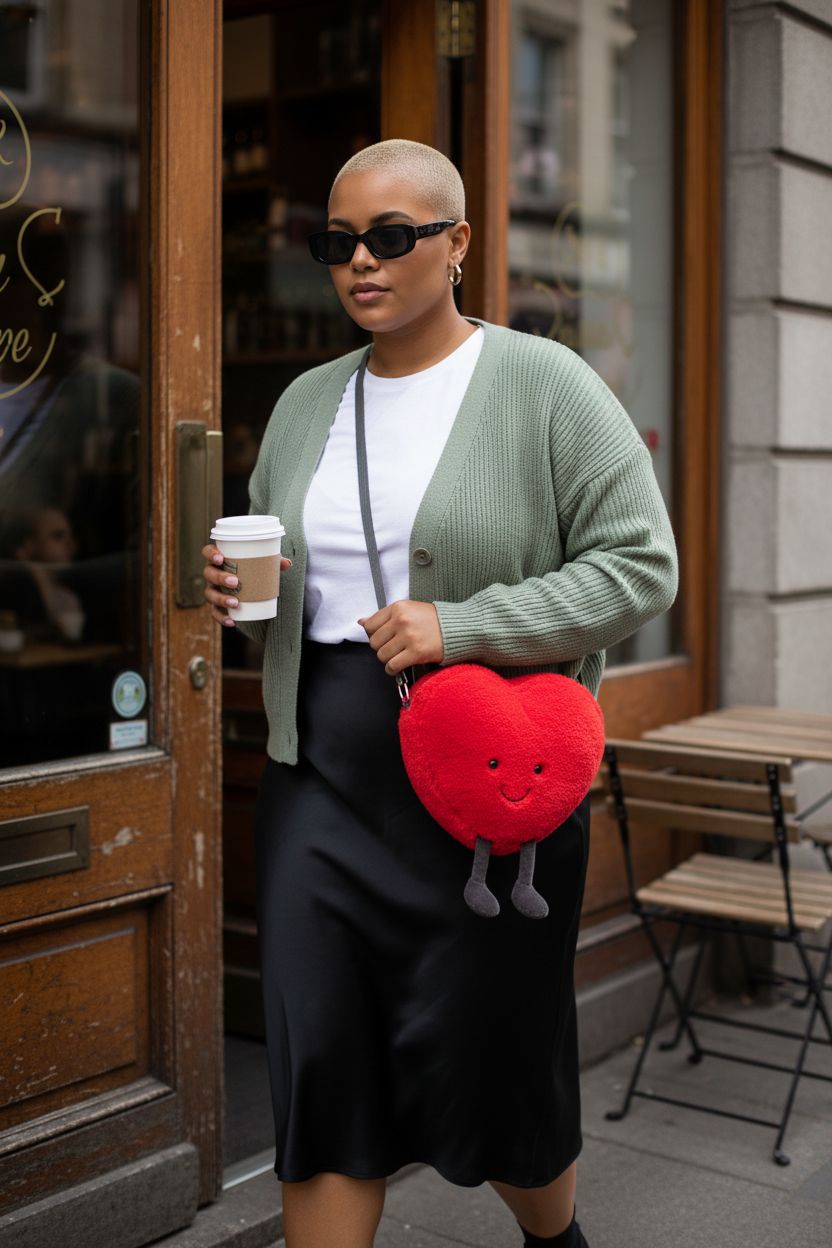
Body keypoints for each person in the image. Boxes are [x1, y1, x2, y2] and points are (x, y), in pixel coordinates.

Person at [202, 139, 678, 1248]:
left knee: (495, 1050)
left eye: (391, 236)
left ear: (457, 243)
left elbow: (640, 565)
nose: (360, 261)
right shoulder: (305, 402)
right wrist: (242, 598)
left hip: (487, 789)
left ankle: (552, 1235)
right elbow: (294, 593)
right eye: (336, 244)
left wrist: (461, 625)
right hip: (320, 774)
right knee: (322, 1048)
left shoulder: (544, 384)